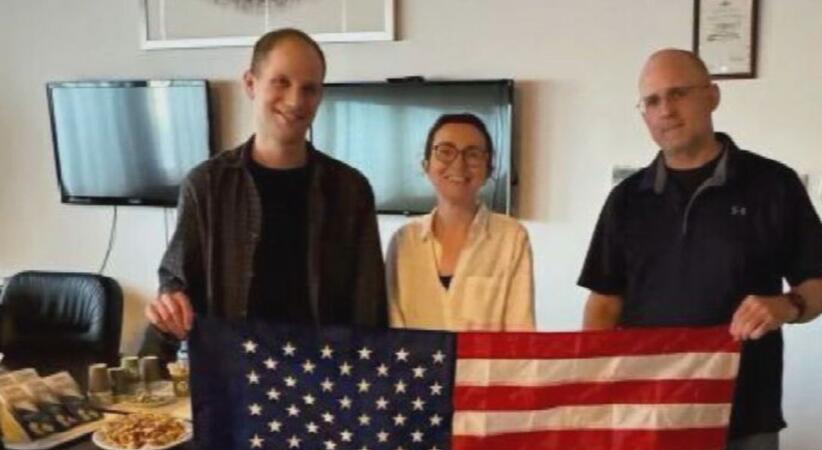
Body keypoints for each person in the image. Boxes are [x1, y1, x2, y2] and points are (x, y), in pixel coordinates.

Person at [578, 49, 822, 450]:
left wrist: (786, 306)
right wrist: (593, 388)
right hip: (648, 408)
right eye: (651, 101)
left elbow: (820, 286)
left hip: (745, 408)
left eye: (678, 94)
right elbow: (604, 304)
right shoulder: (627, 199)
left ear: (712, 96)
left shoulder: (773, 184)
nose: (665, 111)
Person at [146, 28, 386, 338]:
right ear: (250, 83)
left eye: (309, 88)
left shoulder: (350, 190)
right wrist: (170, 307)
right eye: (281, 82)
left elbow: (369, 305)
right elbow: (177, 281)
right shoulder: (206, 185)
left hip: (325, 375)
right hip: (230, 373)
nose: (295, 100)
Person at [385, 113, 535, 331]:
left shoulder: (511, 237)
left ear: (489, 170)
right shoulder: (403, 241)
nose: (459, 163)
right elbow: (393, 329)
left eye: (472, 154)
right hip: (416, 365)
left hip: (487, 366)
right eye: (445, 151)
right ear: (426, 165)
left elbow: (520, 332)